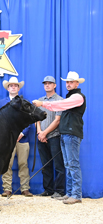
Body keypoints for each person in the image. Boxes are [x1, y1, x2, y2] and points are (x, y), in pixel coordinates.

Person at [33, 71, 86, 205]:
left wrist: (43, 104)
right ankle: (69, 193)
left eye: (71, 82)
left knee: (72, 164)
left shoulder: (78, 97)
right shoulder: (69, 97)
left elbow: (60, 105)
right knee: (68, 164)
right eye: (67, 82)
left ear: (77, 83)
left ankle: (76, 194)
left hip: (71, 133)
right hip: (65, 133)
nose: (68, 84)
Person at [0, 77, 33, 197]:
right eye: (11, 85)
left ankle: (25, 188)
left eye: (15, 85)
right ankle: (7, 188)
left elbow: (29, 119)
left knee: (23, 163)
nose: (13, 87)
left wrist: (22, 133)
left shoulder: (25, 102)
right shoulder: (2, 103)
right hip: (7, 139)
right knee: (7, 164)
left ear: (18, 88)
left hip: (23, 138)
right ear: (8, 88)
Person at [36, 76, 65, 198]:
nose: (47, 85)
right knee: (45, 165)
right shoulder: (40, 100)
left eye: (50, 83)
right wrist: (39, 133)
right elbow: (36, 119)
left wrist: (44, 133)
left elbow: (57, 120)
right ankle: (48, 189)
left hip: (54, 136)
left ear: (55, 85)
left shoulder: (59, 100)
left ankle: (60, 191)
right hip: (41, 137)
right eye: (45, 83)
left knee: (58, 165)